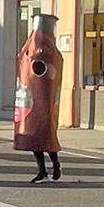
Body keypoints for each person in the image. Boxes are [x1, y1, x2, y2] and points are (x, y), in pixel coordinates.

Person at [13, 11, 63, 182]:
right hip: (33, 103)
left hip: (44, 104)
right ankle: (42, 170)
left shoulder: (45, 50)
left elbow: (40, 63)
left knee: (46, 135)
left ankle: (55, 164)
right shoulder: (35, 48)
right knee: (35, 136)